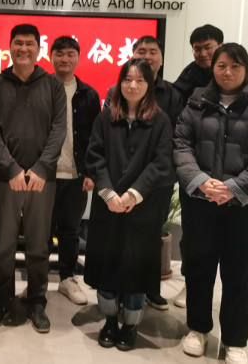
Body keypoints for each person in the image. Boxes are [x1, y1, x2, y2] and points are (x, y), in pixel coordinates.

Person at [173, 43, 248, 364]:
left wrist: (234, 188)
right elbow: (181, 145)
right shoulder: (196, 102)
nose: (227, 71)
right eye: (221, 65)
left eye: (235, 66)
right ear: (213, 68)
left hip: (242, 207)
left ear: (246, 69)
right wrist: (200, 180)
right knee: (198, 268)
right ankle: (197, 328)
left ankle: (235, 340)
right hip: (200, 202)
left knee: (237, 273)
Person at [84, 58, 174, 351]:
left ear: (149, 85)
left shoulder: (160, 121)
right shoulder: (104, 118)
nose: (132, 85)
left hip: (142, 208)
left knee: (136, 269)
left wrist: (135, 193)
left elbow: (162, 162)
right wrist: (108, 193)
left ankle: (131, 325)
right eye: (127, 79)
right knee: (107, 265)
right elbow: (94, 157)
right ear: (119, 83)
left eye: (140, 80)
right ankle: (109, 320)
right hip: (108, 206)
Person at [0, 24, 66, 334]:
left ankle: (37, 301)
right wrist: (11, 169)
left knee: (39, 245)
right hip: (5, 179)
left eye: (30, 43)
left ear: (39, 49)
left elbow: (59, 129)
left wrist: (42, 168)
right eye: (18, 43)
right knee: (3, 245)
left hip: (43, 179)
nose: (24, 49)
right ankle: (2, 300)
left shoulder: (53, 85)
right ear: (10, 47)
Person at [103, 36, 183, 311]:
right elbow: (106, 142)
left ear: (161, 57)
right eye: (141, 51)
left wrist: (140, 187)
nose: (147, 56)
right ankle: (115, 300)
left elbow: (173, 141)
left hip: (155, 183)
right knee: (116, 242)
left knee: (147, 240)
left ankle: (147, 291)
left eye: (153, 51)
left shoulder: (172, 95)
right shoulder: (114, 95)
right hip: (117, 183)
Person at [49, 36, 100, 305]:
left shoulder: (89, 94)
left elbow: (95, 137)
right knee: (41, 231)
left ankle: (67, 278)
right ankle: (37, 281)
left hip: (76, 173)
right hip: (44, 174)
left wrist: (91, 172)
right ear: (50, 57)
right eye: (59, 54)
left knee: (70, 230)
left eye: (70, 54)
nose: (64, 59)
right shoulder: (41, 88)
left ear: (78, 58)